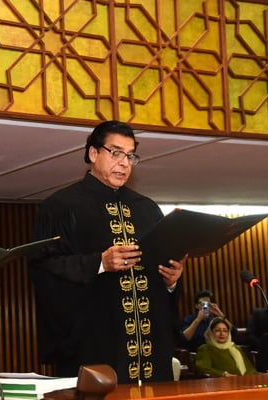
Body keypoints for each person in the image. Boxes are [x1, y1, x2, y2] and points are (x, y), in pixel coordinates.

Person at [28, 120, 186, 383]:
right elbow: (44, 269)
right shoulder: (59, 207)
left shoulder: (147, 209)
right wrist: (98, 263)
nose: (124, 162)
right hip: (97, 348)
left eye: (130, 155)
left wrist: (171, 281)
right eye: (116, 153)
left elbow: (161, 266)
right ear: (93, 153)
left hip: (151, 351)